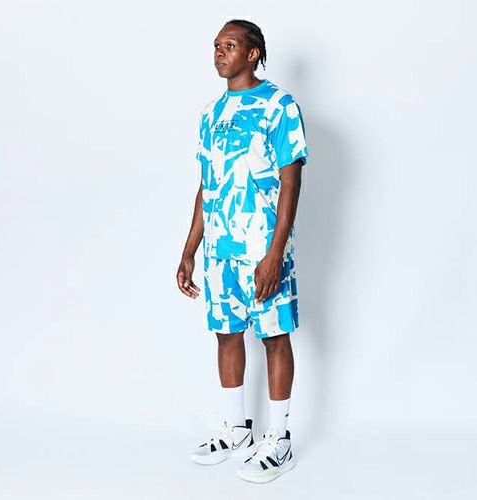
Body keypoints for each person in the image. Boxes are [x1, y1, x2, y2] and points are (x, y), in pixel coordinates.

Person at [176, 18, 309, 483]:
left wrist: (275, 253)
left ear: (252, 54)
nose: (219, 52)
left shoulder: (279, 106)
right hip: (220, 252)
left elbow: (291, 182)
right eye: (216, 45)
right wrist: (190, 250)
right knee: (226, 334)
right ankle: (237, 431)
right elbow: (206, 184)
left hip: (263, 249)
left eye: (229, 45)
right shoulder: (210, 114)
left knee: (274, 335)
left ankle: (280, 440)